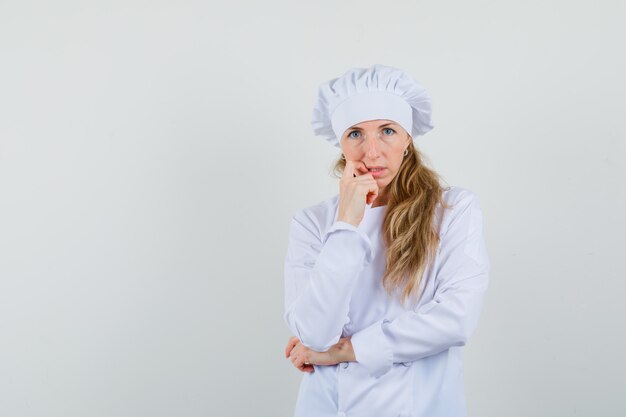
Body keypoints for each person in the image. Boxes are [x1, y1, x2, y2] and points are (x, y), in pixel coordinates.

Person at [282, 64, 490, 417]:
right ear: (341, 144)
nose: (372, 151)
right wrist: (347, 223)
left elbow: (455, 319)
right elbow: (314, 335)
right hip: (329, 405)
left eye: (387, 131)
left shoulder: (452, 209)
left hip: (422, 406)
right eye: (355, 134)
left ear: (408, 138)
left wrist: (348, 350)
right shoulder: (313, 222)